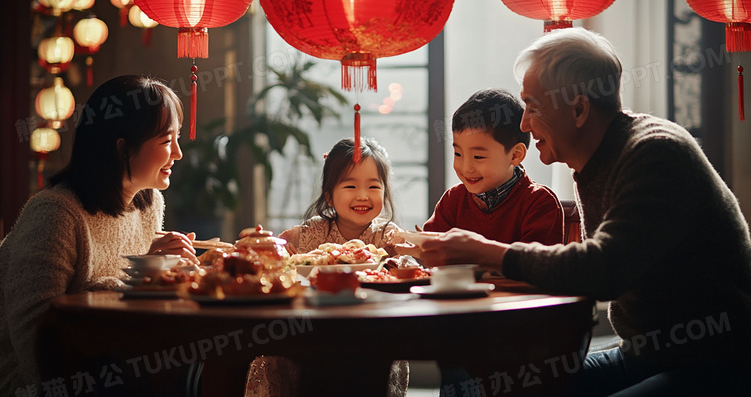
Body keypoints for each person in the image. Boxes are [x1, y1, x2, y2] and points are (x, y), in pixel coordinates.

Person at [420, 27, 751, 396]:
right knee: (484, 387)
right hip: (641, 355)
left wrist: (482, 250)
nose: (525, 123)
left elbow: (604, 270)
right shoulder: (593, 163)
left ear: (578, 109)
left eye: (532, 106)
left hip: (716, 360)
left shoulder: (656, 152)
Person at [0, 75, 200, 396]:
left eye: (177, 139)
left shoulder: (147, 204)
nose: (177, 153)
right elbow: (36, 331)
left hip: (110, 361)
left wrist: (157, 272)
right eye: (166, 141)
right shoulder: (56, 212)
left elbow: (128, 305)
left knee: (195, 368)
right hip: (30, 379)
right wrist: (140, 277)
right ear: (122, 149)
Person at [246, 137, 408, 397]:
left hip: (369, 329)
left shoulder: (388, 237)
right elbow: (279, 253)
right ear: (329, 196)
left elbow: (406, 271)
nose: (363, 195)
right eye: (350, 185)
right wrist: (273, 246)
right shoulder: (312, 232)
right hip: (308, 328)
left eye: (374, 186)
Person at [423, 87, 563, 245]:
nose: (466, 167)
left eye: (478, 156)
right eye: (458, 154)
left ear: (515, 155)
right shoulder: (453, 200)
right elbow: (429, 249)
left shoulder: (538, 202)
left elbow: (535, 264)